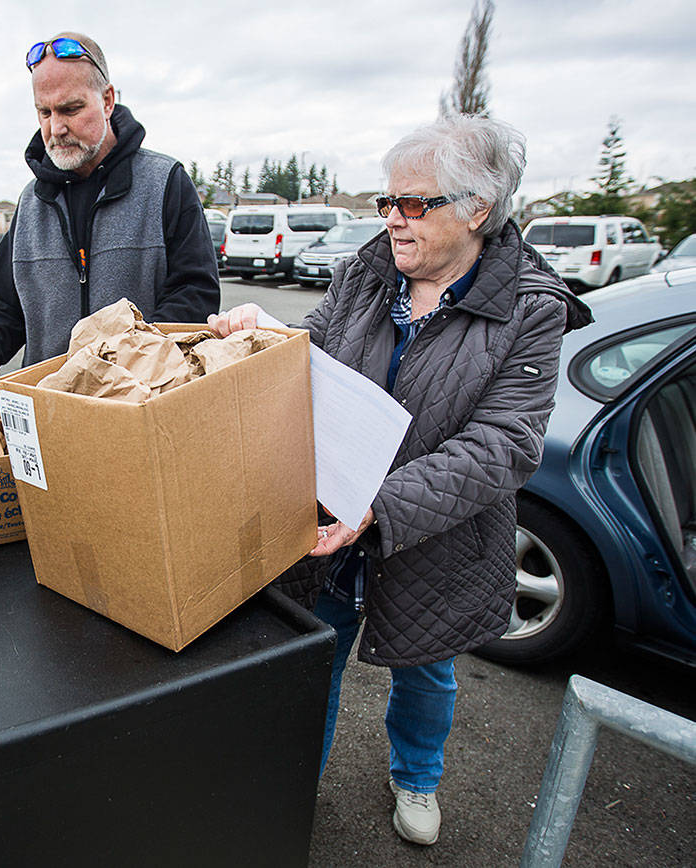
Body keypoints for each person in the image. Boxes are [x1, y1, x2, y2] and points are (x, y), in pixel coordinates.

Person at [209, 115, 591, 846]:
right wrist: (264, 334)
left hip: (435, 538)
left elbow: (504, 446)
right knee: (312, 660)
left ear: (478, 209)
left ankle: (416, 776)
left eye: (414, 204)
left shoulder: (531, 310)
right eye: (387, 203)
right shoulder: (366, 270)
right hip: (330, 525)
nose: (393, 220)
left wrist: (381, 508)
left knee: (427, 673)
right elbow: (311, 345)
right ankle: (294, 794)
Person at [0, 32, 219, 378]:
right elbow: (2, 304)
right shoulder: (31, 201)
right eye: (43, 112)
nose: (55, 128)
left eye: (70, 109)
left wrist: (130, 363)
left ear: (107, 101)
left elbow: (195, 293)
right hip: (50, 408)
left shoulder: (165, 182)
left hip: (139, 404)